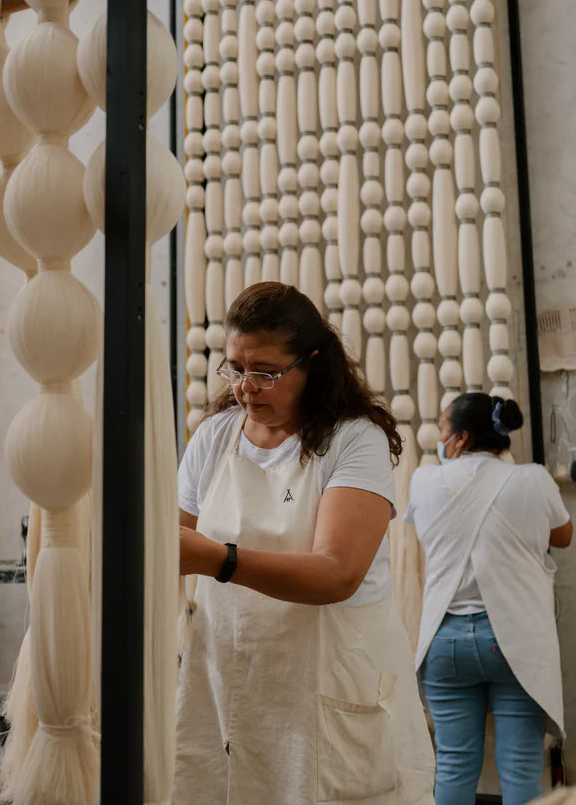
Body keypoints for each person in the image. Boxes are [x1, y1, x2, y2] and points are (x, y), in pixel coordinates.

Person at [175, 282, 435, 804]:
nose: (248, 386)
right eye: (236, 368)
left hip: (327, 682)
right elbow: (174, 541)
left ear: (312, 363)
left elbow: (337, 572)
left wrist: (219, 559)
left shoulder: (352, 439)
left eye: (267, 371)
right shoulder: (215, 437)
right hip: (231, 682)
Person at [405, 393, 572, 805]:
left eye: (443, 430)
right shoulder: (533, 479)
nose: (439, 440)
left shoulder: (425, 481)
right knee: (520, 772)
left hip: (445, 643)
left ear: (460, 439)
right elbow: (563, 536)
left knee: (454, 768)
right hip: (514, 642)